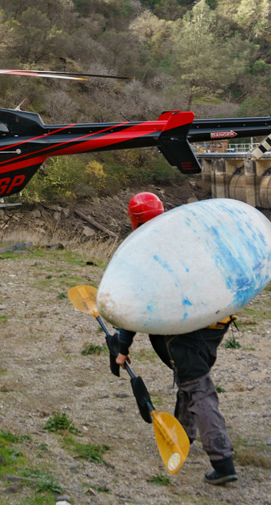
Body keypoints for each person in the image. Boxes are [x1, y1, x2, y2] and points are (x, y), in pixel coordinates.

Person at [109, 192, 239, 487]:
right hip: (217, 323)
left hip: (186, 331)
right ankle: (183, 434)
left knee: (198, 387)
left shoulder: (143, 253)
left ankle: (222, 461)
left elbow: (135, 305)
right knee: (188, 379)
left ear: (135, 222)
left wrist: (122, 348)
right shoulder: (187, 238)